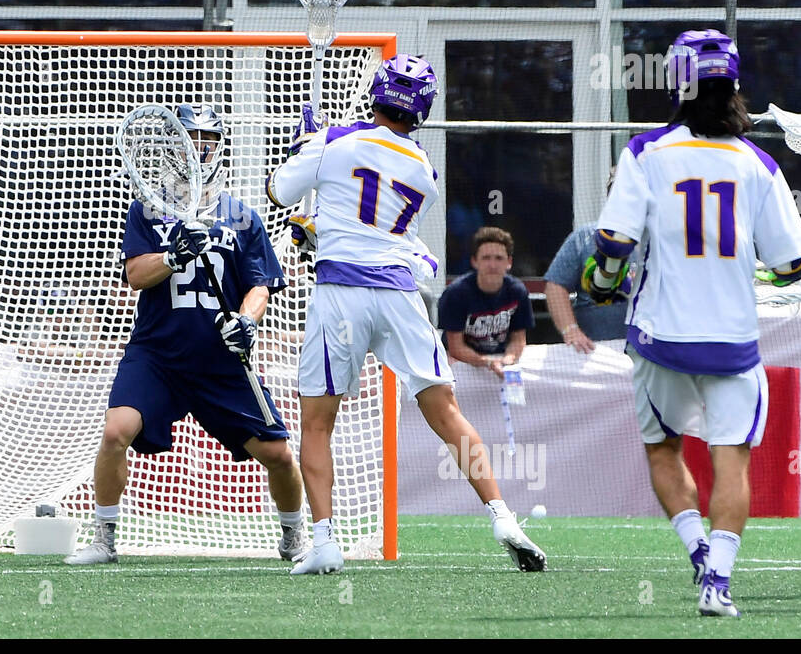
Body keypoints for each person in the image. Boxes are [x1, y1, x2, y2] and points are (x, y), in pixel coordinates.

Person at [267, 55, 546, 575]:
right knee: (446, 411)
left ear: (377, 92)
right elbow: (371, 224)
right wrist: (315, 221)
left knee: (317, 425)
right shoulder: (423, 169)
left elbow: (278, 194)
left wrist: (303, 152)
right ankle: (503, 515)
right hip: (398, 298)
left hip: (341, 296)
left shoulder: (333, 142)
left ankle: (325, 542)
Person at [586, 29, 801, 617]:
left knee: (663, 449)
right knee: (730, 458)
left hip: (659, 336)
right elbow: (790, 264)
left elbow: (612, 243)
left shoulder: (644, 153)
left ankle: (696, 551)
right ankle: (719, 582)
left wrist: (603, 283)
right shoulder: (759, 164)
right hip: (732, 340)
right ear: (734, 86)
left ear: (678, 84)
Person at [66, 103, 308, 566]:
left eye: (208, 141)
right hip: (158, 355)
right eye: (191, 140)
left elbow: (260, 283)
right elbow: (136, 275)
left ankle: (293, 534)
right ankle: (104, 537)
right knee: (117, 430)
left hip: (219, 358)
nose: (200, 150)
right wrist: (173, 257)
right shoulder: (148, 210)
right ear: (173, 147)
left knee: (277, 454)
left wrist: (248, 321)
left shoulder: (242, 216)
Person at [543, 170, 639, 352]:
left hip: (648, 357)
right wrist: (570, 330)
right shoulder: (584, 237)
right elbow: (555, 287)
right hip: (594, 357)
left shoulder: (659, 241)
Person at [437, 227, 533, 378]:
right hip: (459, 364)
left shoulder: (518, 291)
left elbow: (518, 338)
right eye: (486, 258)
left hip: (500, 359)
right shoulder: (456, 293)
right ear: (474, 261)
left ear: (509, 262)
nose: (492, 265)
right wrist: (487, 363)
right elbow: (456, 347)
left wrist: (509, 359)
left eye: (499, 258)